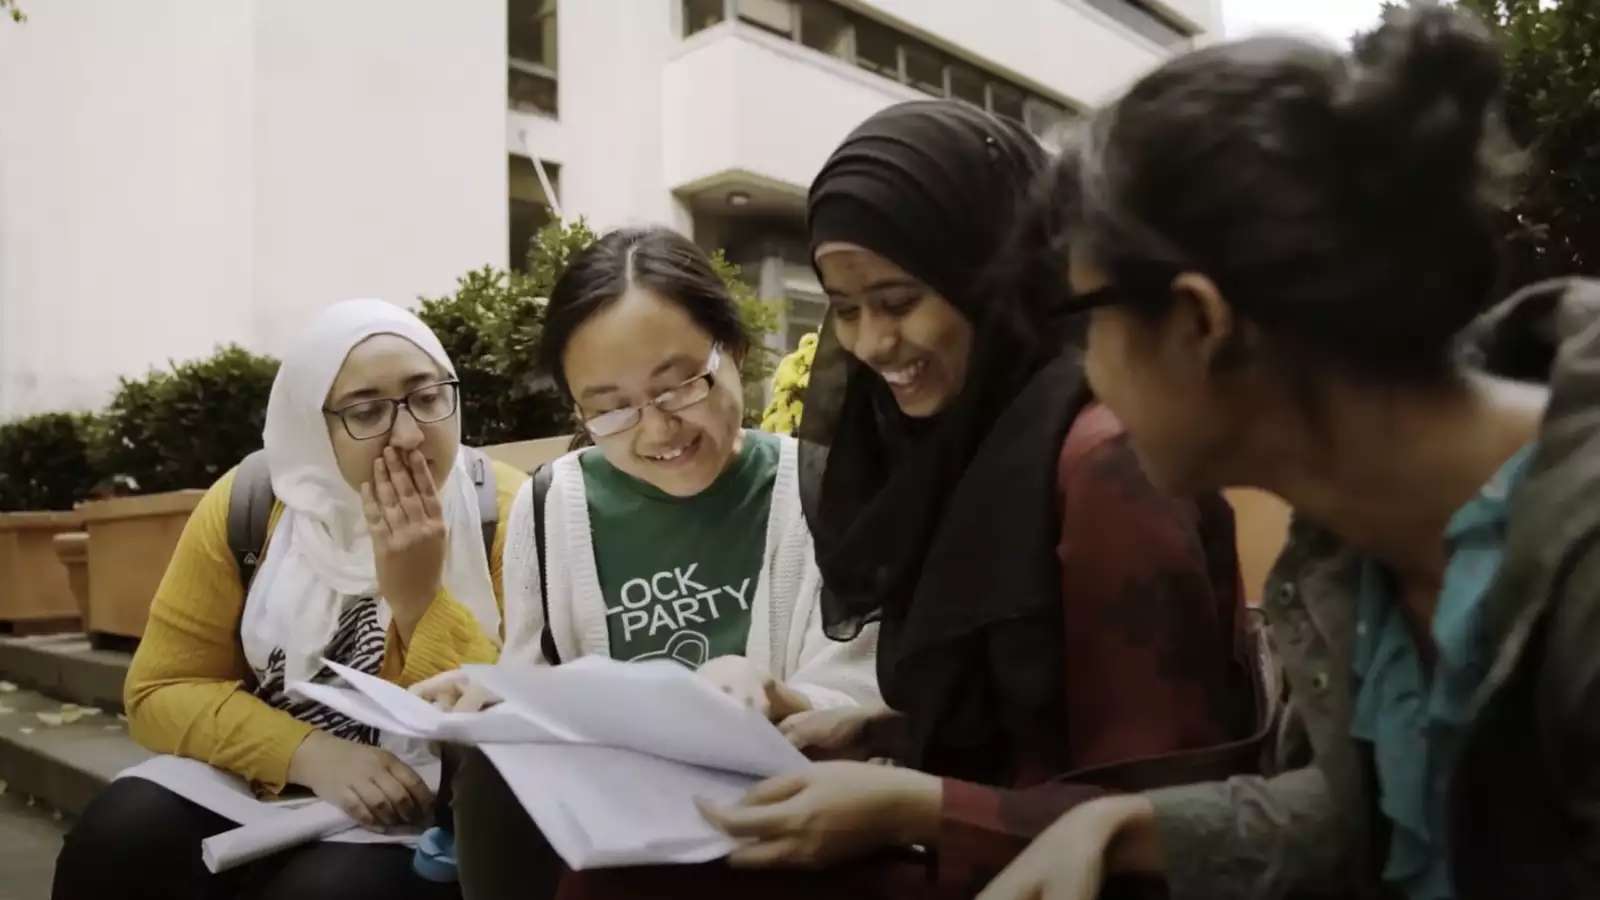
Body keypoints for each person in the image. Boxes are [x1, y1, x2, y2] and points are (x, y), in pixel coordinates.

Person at [537, 100, 1268, 900]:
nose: (873, 344)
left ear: (992, 273)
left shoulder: (1103, 465)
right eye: (845, 310)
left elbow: (1159, 815)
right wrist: (871, 728)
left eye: (898, 300)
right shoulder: (960, 448)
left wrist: (910, 809)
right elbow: (1011, 715)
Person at [980, 7, 1600, 900]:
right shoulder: (1359, 538)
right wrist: (1119, 821)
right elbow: (1390, 807)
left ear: (1199, 323)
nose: (1087, 374)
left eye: (1089, 322)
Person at [435, 226, 881, 898]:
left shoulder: (826, 492)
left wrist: (776, 692)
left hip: (780, 838)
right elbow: (541, 682)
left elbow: (871, 700)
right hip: (617, 845)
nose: (657, 429)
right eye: (610, 410)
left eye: (680, 387)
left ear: (730, 348)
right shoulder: (551, 504)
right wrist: (494, 694)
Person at [52, 299, 526, 900]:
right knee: (118, 835)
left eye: (427, 397)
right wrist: (309, 754)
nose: (408, 435)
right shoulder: (251, 504)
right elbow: (158, 691)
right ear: (311, 425)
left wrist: (418, 598)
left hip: (431, 808)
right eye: (367, 410)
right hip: (273, 782)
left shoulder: (509, 513)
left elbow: (511, 726)